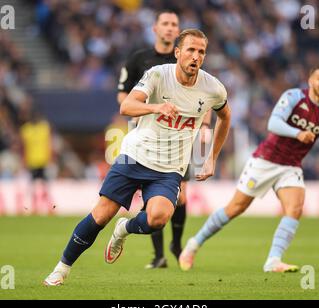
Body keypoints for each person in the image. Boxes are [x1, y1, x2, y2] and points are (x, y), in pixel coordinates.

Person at [43, 28, 231, 286]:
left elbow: (225, 116)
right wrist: (155, 107)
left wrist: (211, 158)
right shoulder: (157, 75)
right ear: (177, 53)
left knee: (158, 219)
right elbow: (126, 106)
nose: (196, 56)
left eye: (201, 52)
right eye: (190, 50)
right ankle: (61, 269)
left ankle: (124, 229)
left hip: (169, 168)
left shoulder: (213, 88)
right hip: (135, 157)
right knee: (101, 215)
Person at [179, 67, 319, 273]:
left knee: (295, 209)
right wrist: (298, 133)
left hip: (291, 166)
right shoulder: (294, 97)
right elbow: (274, 123)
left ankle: (273, 260)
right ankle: (193, 244)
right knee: (235, 208)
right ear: (310, 80)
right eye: (318, 78)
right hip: (266, 160)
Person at [117, 10, 212, 268]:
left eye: (174, 25)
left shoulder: (189, 59)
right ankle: (158, 254)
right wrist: (141, 114)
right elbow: (123, 96)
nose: (170, 28)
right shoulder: (140, 59)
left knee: (181, 195)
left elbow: (204, 100)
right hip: (146, 134)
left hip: (179, 136)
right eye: (165, 24)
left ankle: (176, 244)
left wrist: (205, 127)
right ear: (155, 29)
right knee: (152, 194)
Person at [20, 108, 53, 214]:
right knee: (34, 185)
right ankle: (34, 206)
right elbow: (23, 147)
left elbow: (49, 144)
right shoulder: (26, 129)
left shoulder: (43, 128)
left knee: (45, 185)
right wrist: (24, 160)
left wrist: (50, 158)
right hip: (32, 161)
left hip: (42, 161)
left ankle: (48, 206)